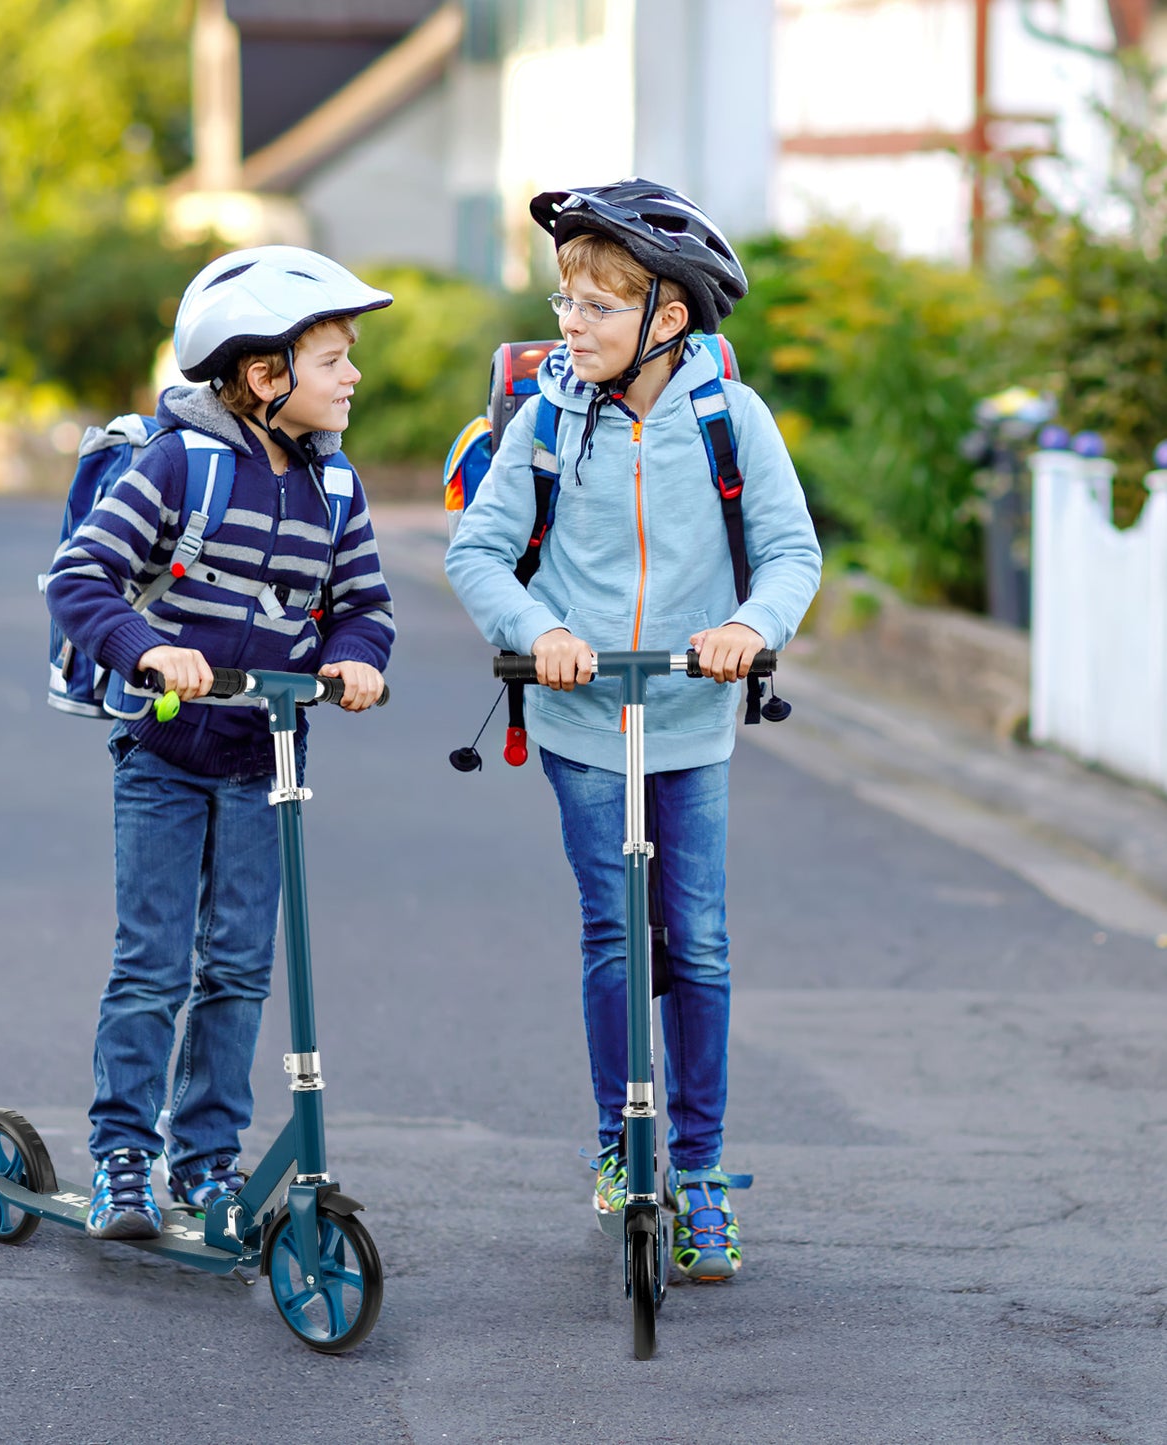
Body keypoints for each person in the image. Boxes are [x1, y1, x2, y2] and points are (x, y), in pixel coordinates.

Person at [445, 180, 821, 1282]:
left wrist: (748, 627)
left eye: (598, 306)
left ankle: (697, 1169)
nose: (572, 324)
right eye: (565, 300)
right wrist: (539, 626)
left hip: (692, 713)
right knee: (615, 932)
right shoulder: (548, 415)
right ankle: (622, 1147)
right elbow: (475, 550)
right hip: (580, 711)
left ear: (667, 316)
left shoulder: (728, 417)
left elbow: (792, 552)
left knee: (694, 939)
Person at [44, 246, 395, 1239]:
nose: (352, 375)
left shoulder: (334, 487)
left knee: (238, 964)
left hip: (266, 755)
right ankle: (123, 1155)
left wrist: (356, 658)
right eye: (334, 357)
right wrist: (149, 648)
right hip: (162, 753)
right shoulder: (177, 465)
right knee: (153, 961)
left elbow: (362, 604)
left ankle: (206, 1161)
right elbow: (81, 580)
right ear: (262, 373)